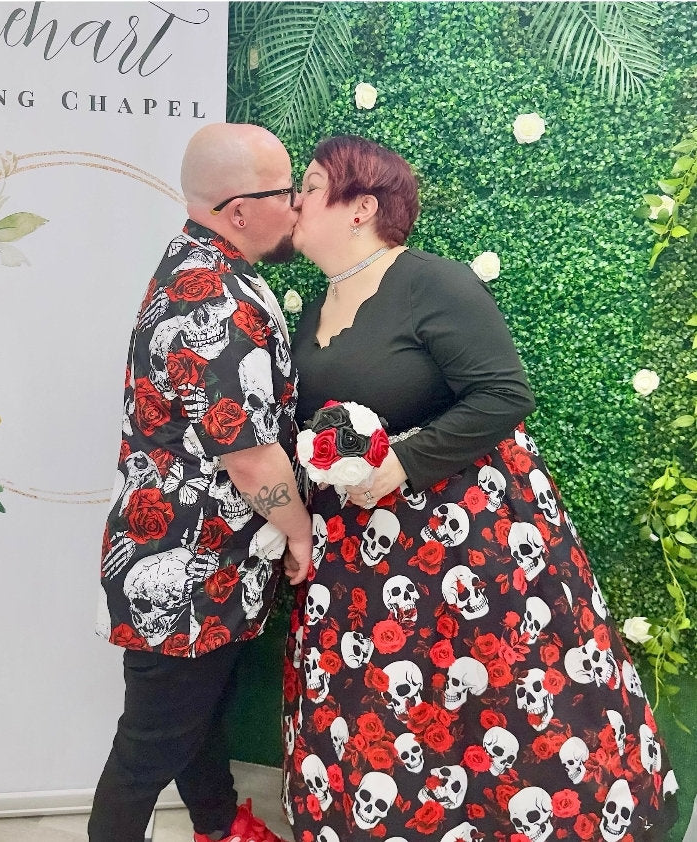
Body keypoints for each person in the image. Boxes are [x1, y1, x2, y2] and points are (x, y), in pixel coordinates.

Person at [281, 135, 679, 841]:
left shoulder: (434, 282)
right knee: (385, 699)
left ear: (360, 206)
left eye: (310, 186)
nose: (295, 201)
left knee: (489, 691)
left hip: (463, 541)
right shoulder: (316, 306)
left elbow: (502, 395)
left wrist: (399, 467)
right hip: (359, 549)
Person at [89, 122, 313, 842]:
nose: (299, 204)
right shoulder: (212, 299)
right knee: (146, 749)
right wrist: (300, 532)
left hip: (208, 557)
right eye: (287, 190)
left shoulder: (209, 267)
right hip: (185, 567)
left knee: (201, 715)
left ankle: (220, 826)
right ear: (238, 210)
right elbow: (248, 455)